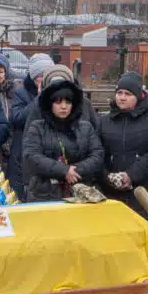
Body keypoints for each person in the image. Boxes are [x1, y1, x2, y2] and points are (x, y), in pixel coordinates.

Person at [95, 72, 148, 216]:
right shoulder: (104, 121)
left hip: (146, 194)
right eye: (119, 93)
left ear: (139, 96)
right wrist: (107, 177)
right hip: (112, 194)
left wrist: (131, 175)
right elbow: (97, 153)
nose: (122, 97)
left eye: (128, 94)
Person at [21, 71, 104, 203]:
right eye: (58, 102)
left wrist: (74, 171)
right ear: (50, 104)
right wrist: (63, 171)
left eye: (68, 102)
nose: (63, 106)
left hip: (80, 193)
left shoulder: (86, 127)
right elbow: (31, 156)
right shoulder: (37, 127)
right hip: (44, 195)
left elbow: (97, 155)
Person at [4, 53, 53, 195]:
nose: (41, 78)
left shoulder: (58, 95)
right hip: (22, 152)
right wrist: (39, 98)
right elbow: (17, 118)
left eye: (45, 74)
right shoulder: (21, 93)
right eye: (38, 74)